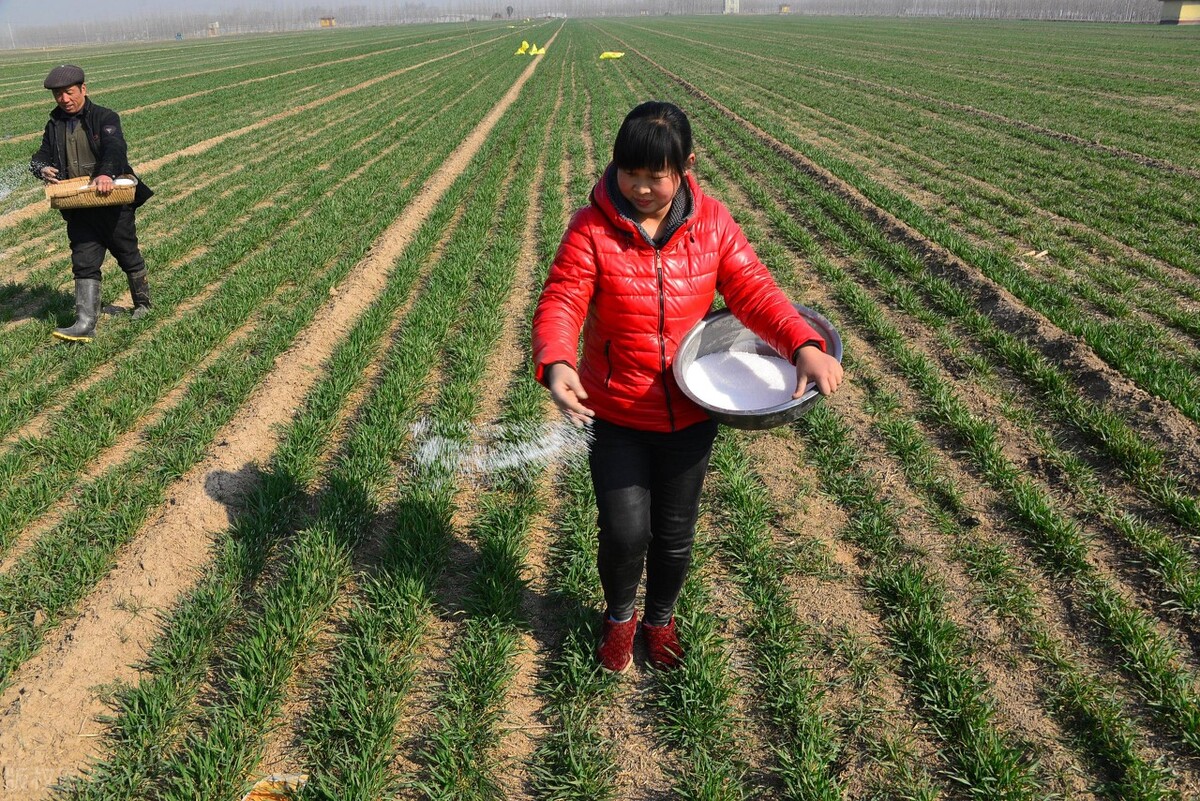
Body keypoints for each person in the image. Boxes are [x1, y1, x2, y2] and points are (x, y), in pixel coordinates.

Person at [531, 101, 843, 673]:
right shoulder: (591, 229)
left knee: (674, 536)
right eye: (631, 174)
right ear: (616, 167)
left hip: (691, 418)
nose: (642, 188)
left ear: (686, 166)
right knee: (625, 533)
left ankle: (660, 619)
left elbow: (754, 292)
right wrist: (557, 361)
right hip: (618, 411)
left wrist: (803, 344)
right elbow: (562, 299)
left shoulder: (714, 223)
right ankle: (620, 617)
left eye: (656, 176)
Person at [30, 64, 153, 343]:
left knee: (127, 253)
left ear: (83, 89)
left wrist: (106, 172)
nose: (64, 99)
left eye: (69, 92)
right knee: (83, 262)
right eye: (58, 94)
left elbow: (115, 148)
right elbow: (41, 155)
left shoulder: (104, 117)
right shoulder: (54, 125)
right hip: (79, 206)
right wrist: (42, 169)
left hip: (112, 204)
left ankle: (143, 304)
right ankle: (85, 323)